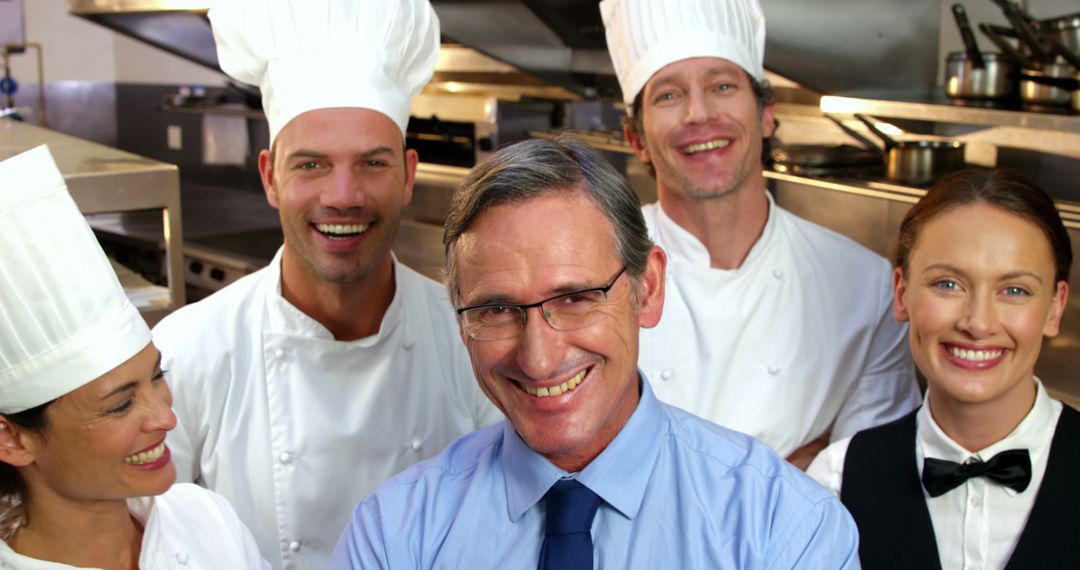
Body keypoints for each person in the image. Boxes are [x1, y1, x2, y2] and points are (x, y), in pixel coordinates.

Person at [331, 136, 859, 569]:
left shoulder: (783, 528)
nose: (539, 358)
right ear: (461, 321)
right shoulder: (394, 535)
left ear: (647, 288)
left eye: (576, 298)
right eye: (496, 310)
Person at [150, 1, 501, 568]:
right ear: (269, 176)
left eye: (372, 164)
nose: (343, 195)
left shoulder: (474, 342)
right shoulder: (187, 354)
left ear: (409, 176)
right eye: (311, 165)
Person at [600, 0, 920, 467]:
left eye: (722, 85)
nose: (698, 113)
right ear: (637, 140)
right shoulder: (590, 273)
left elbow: (863, 484)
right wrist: (800, 462)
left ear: (766, 114)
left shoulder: (865, 288)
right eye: (668, 95)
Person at [0, 145, 267, 569]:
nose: (166, 419)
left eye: (157, 376)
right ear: (11, 439)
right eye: (121, 404)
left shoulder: (205, 520)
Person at [808, 169, 1076, 568]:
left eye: (1014, 290)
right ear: (901, 294)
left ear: (1054, 308)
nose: (979, 322)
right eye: (948, 284)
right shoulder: (836, 479)